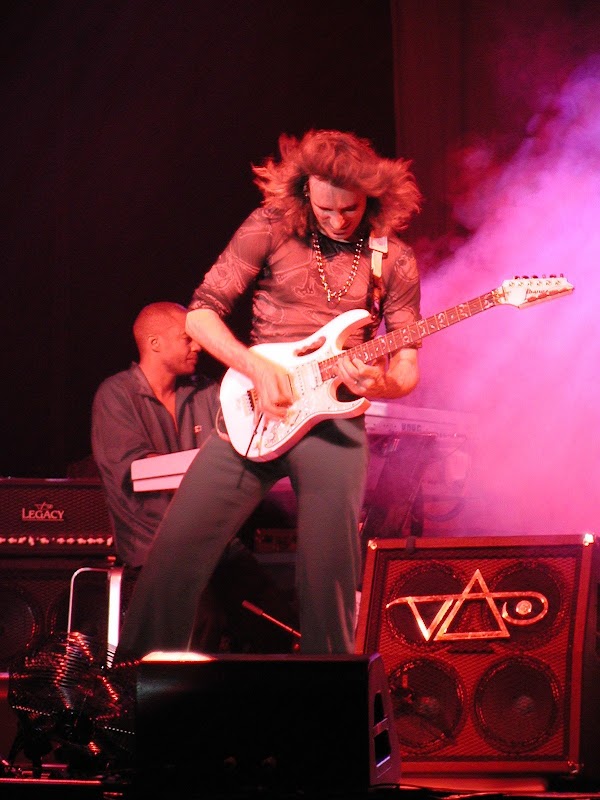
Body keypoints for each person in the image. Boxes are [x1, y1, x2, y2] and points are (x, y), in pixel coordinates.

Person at [115, 129, 422, 661]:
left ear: (373, 197)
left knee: (328, 574)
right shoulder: (271, 226)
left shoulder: (394, 259)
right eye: (324, 208)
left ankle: (325, 700)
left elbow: (408, 363)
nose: (336, 220)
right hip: (255, 410)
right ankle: (130, 689)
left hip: (333, 423)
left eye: (349, 209)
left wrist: (386, 383)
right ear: (305, 192)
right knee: (174, 555)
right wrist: (253, 365)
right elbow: (201, 315)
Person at [92, 301, 296, 653]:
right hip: (156, 549)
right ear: (155, 343)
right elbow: (137, 471)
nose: (198, 345)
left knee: (281, 629)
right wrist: (220, 466)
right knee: (202, 624)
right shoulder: (116, 395)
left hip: (218, 545)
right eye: (187, 338)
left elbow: (243, 437)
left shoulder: (205, 392)